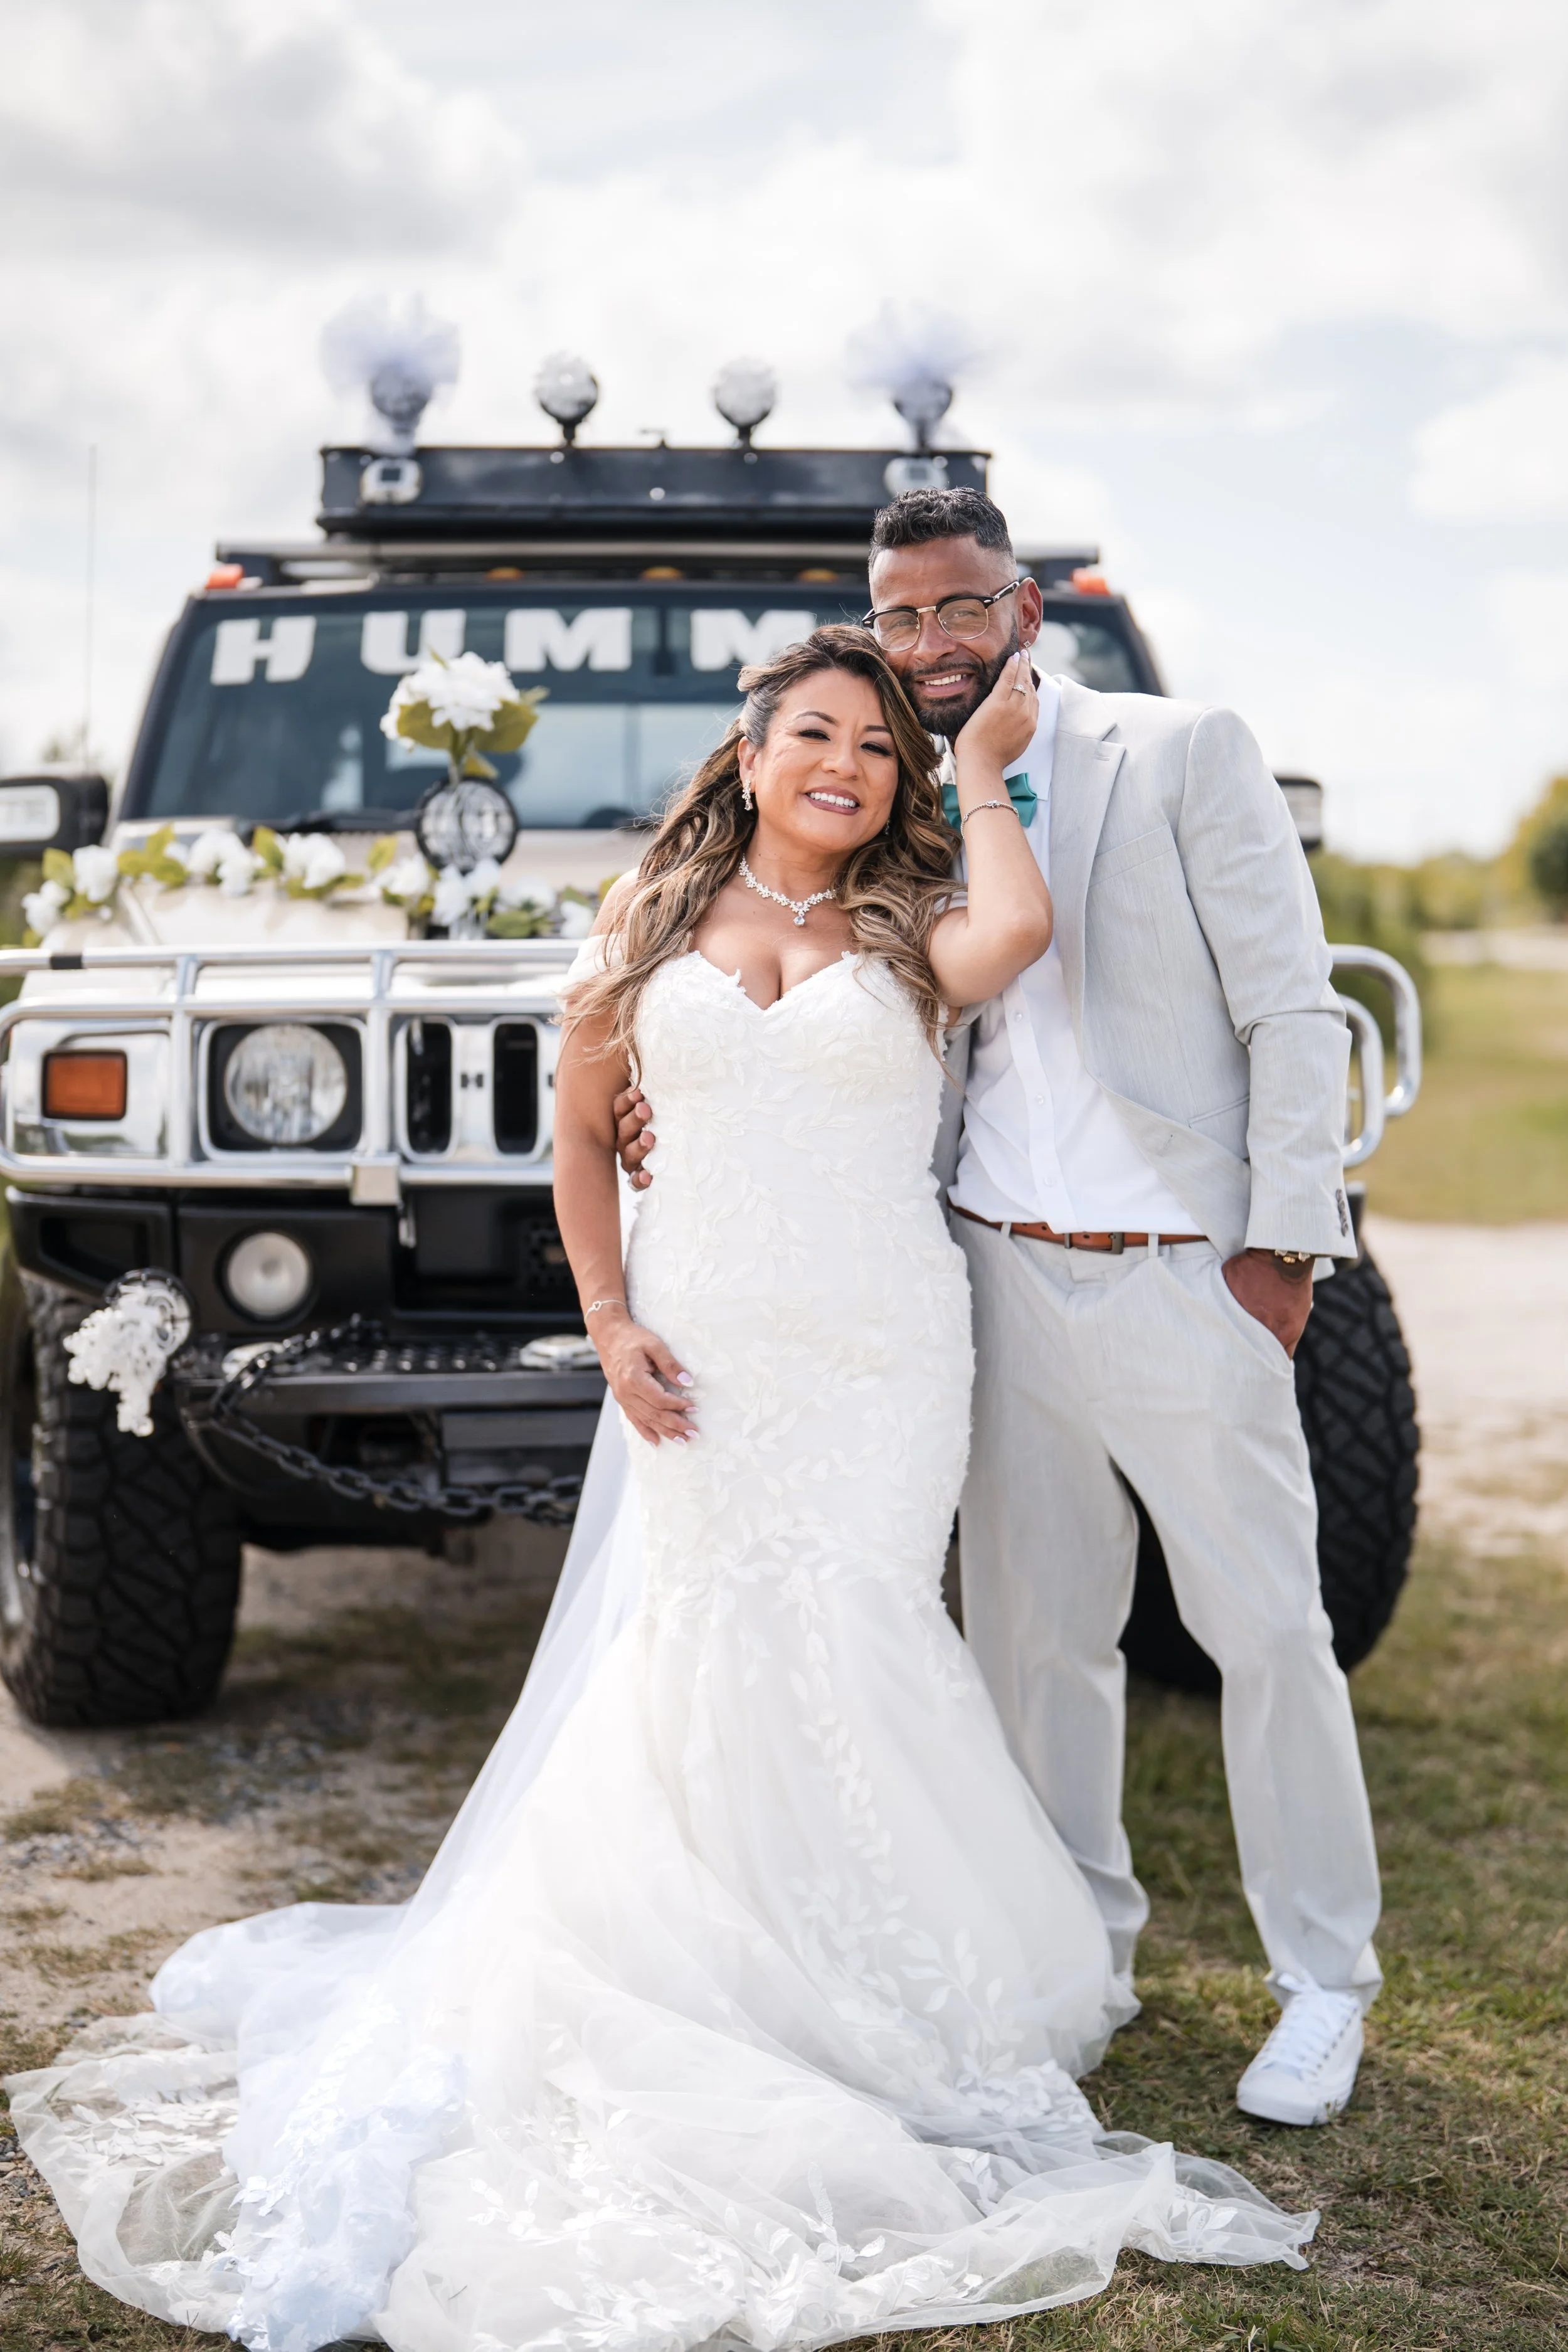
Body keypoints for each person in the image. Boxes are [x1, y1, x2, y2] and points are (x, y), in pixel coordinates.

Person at [6, 627, 1313, 2352]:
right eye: (814, 734)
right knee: (698, 1638)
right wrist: (608, 1319)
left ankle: (867, 1972)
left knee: (859, 1626)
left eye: (871, 743)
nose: (843, 761)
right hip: (703, 1347)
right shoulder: (646, 920)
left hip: (880, 1352)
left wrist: (977, 772)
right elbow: (576, 1135)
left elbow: (1022, 931)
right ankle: (707, 1969)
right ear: (752, 749)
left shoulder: (910, 921)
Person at [615, 492, 1383, 2132]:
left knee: (1266, 1634)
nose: (931, 644)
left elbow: (1293, 1007)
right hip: (985, 1274)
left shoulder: (1179, 748)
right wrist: (667, 1104)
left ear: (1021, 607)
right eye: (901, 619)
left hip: (1186, 1268)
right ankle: (1081, 1953)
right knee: (1037, 1646)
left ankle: (1321, 1980)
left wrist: (1280, 1250)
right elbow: (815, 999)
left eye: (959, 609)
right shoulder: (892, 802)